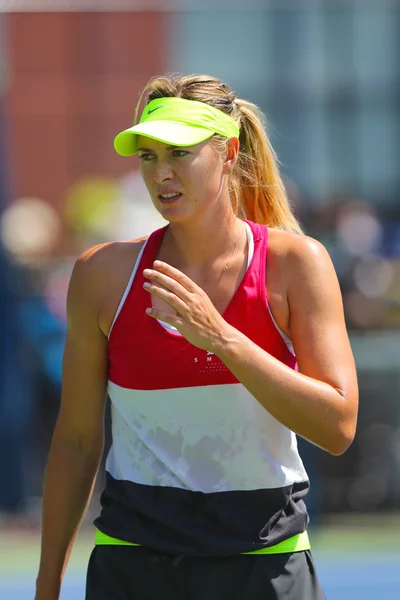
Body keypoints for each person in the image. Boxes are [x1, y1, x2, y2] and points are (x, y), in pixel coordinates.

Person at [34, 73, 358, 600]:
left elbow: (338, 426)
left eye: (180, 154)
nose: (161, 173)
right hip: (133, 565)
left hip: (266, 566)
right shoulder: (102, 275)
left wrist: (223, 340)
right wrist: (46, 588)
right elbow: (75, 442)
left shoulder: (297, 264)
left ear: (228, 152)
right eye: (148, 156)